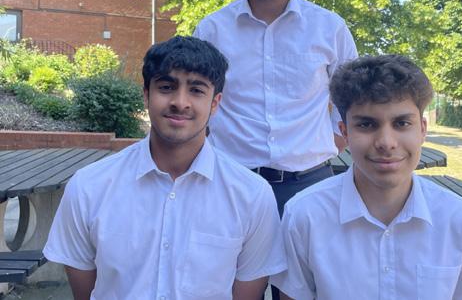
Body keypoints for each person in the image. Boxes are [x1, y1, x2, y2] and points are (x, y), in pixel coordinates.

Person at [43, 36, 286, 300]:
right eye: (167, 87)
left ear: (215, 103)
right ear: (146, 95)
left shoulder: (251, 196)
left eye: (196, 90)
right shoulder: (89, 187)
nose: (180, 102)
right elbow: (85, 292)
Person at [272, 55, 462, 300]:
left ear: (422, 129)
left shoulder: (461, 221)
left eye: (402, 123)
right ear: (345, 133)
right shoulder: (304, 216)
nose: (386, 143)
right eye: (367, 125)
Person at [194, 0, 358, 215]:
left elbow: (354, 96)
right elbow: (196, 97)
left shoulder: (329, 28)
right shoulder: (212, 30)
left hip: (311, 184)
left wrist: (336, 138)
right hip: (231, 183)